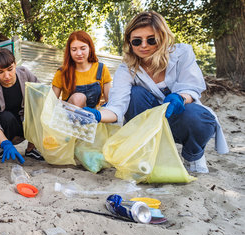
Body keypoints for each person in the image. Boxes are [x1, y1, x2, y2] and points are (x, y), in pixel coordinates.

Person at [84, 11, 228, 173]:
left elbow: (192, 86)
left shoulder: (182, 54)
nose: (143, 45)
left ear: (163, 37)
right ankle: (149, 152)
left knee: (199, 117)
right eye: (137, 41)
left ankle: (192, 156)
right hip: (148, 124)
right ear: (129, 43)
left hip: (179, 119)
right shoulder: (127, 67)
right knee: (135, 94)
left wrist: (180, 97)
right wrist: (97, 115)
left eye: (151, 40)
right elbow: (118, 104)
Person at [0, 47, 44, 163]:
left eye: (10, 69)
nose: (7, 76)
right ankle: (4, 146)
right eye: (0, 72)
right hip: (9, 126)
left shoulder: (25, 74)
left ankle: (31, 149)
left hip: (27, 122)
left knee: (38, 106)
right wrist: (4, 142)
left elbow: (41, 92)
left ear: (15, 64)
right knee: (5, 116)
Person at [51, 30, 112, 108]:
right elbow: (51, 104)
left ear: (90, 48)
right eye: (74, 49)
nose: (79, 53)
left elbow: (110, 102)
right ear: (69, 51)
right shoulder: (62, 72)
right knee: (79, 98)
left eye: (83, 49)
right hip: (69, 117)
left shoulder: (101, 69)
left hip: (93, 117)